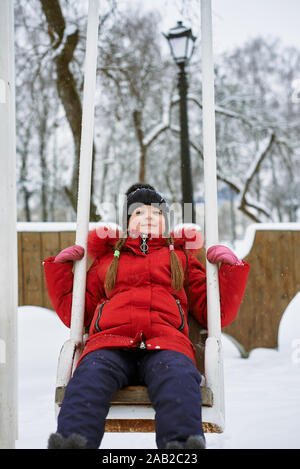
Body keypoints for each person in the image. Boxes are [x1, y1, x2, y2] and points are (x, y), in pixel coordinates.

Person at [44, 183, 250, 449]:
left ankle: (181, 447)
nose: (149, 217)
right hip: (109, 344)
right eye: (139, 212)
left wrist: (230, 270)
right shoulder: (108, 261)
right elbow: (76, 314)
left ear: (167, 223)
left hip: (166, 344)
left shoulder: (182, 259)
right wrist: (61, 271)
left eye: (157, 213)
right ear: (127, 223)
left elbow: (215, 315)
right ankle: (73, 443)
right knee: (88, 380)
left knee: (178, 379)